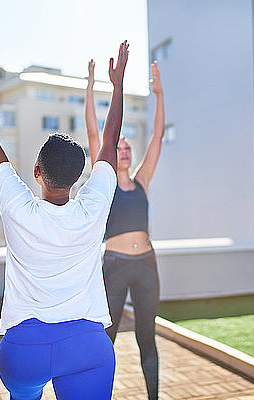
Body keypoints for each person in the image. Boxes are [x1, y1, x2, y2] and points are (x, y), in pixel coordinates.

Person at [0, 21, 130, 400]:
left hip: (23, 353)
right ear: (80, 177)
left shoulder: (19, 209)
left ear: (36, 172)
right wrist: (117, 85)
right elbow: (110, 143)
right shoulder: (93, 207)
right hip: (87, 348)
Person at [85, 59, 165, 399]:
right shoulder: (102, 181)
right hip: (115, 266)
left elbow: (158, 135)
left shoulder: (142, 181)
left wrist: (158, 94)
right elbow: (93, 133)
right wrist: (90, 87)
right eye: (118, 146)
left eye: (127, 146)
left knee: (147, 336)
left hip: (147, 264)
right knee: (108, 337)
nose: (125, 150)